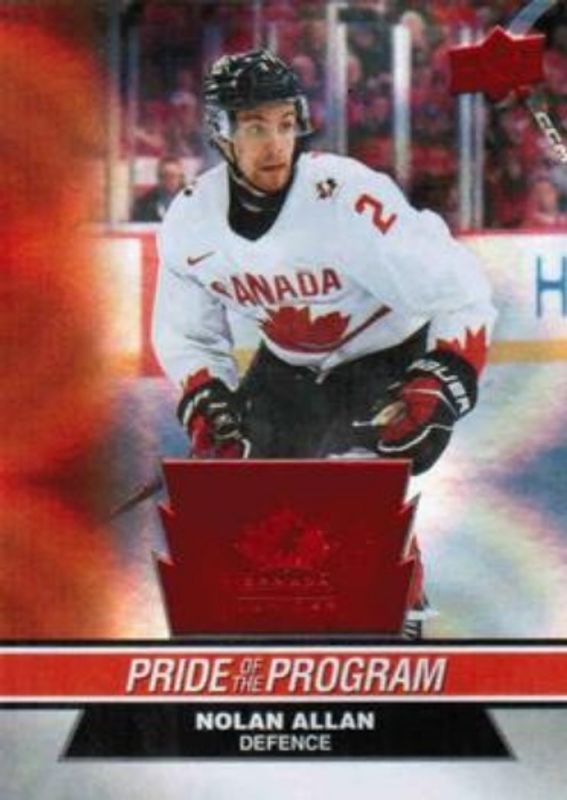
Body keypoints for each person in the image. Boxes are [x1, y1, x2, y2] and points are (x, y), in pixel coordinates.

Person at [152, 50, 497, 631]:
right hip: (288, 363)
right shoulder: (190, 221)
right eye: (255, 127)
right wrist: (207, 399)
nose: (276, 144)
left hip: (386, 353)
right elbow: (187, 331)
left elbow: (459, 288)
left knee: (357, 490)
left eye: (286, 123)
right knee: (257, 495)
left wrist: (443, 378)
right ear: (221, 132)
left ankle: (398, 612)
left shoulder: (347, 197)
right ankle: (282, 620)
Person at [131, 156, 186, 222]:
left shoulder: (191, 200)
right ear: (159, 177)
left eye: (172, 176)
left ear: (180, 177)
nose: (168, 180)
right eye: (164, 176)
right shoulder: (145, 203)